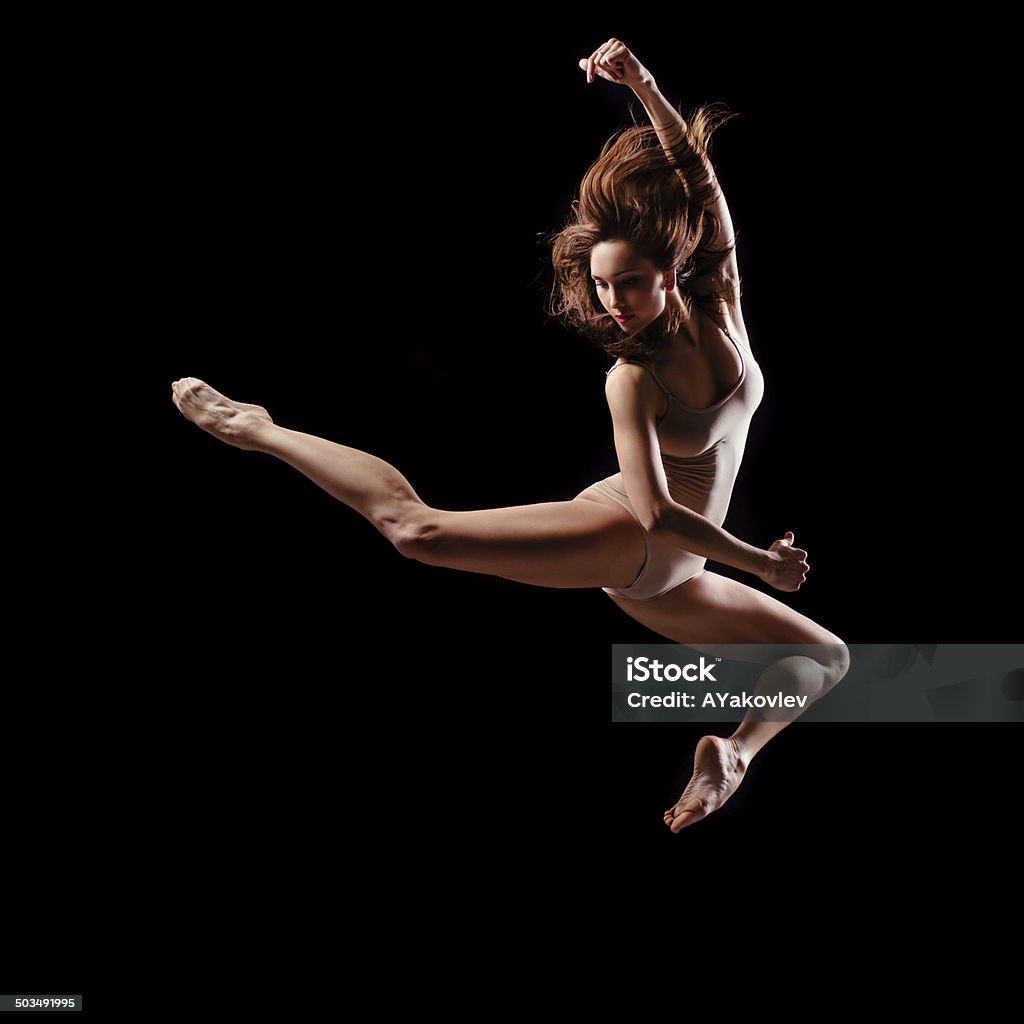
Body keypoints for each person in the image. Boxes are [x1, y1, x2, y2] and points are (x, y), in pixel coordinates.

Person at [171, 38, 849, 833]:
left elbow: (697, 178)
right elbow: (658, 514)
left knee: (827, 659)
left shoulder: (722, 298)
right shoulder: (632, 378)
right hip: (634, 536)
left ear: (673, 268)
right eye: (601, 286)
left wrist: (645, 84)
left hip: (679, 579)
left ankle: (733, 757)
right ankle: (259, 428)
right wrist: (762, 563)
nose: (615, 301)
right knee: (415, 531)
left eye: (628, 281)